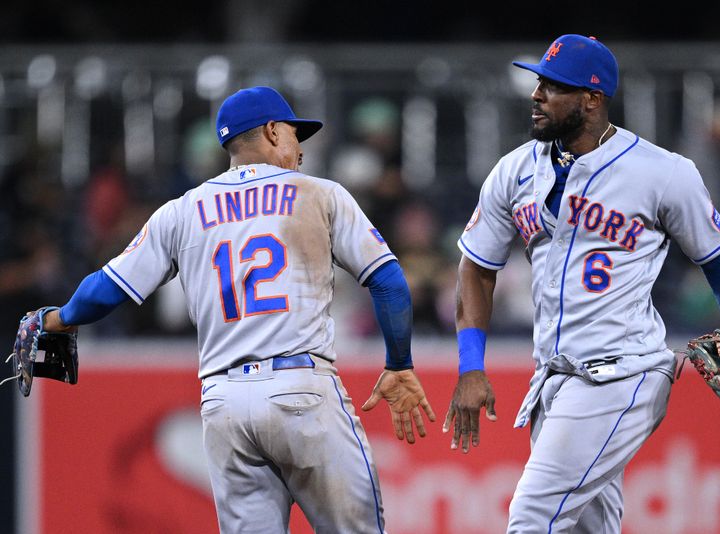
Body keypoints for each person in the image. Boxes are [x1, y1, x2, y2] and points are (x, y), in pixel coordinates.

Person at [34, 86, 436, 533]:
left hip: (223, 405)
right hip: (299, 390)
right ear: (270, 130)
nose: (299, 149)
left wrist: (54, 319)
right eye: (293, 134)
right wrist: (399, 363)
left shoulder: (181, 211)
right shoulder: (319, 194)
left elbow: (106, 289)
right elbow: (389, 281)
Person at [442, 35, 720, 533]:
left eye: (554, 86)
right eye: (539, 82)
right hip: (553, 378)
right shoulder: (514, 171)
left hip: (624, 374)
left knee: (532, 517)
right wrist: (471, 366)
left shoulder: (662, 173)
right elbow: (476, 268)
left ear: (592, 99)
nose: (537, 95)